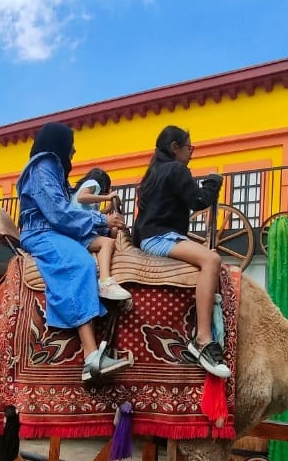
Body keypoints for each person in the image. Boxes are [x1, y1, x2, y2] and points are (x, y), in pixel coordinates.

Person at [17, 122, 132, 383]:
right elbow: (58, 212)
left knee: (105, 244)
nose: (74, 150)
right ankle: (91, 356)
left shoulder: (54, 172)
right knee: (80, 264)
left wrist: (104, 223)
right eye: (71, 145)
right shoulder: (42, 168)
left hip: (57, 230)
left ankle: (106, 283)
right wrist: (102, 222)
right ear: (59, 144)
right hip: (42, 232)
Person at [132, 125, 230, 378]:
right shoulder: (176, 169)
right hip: (160, 236)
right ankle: (203, 339)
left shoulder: (152, 173)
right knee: (211, 260)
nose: (191, 153)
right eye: (189, 147)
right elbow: (198, 201)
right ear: (175, 148)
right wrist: (213, 183)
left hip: (149, 234)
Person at [69, 167, 130, 301]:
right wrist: (107, 197)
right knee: (108, 242)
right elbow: (82, 197)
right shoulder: (93, 184)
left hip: (82, 228)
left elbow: (96, 215)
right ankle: (105, 281)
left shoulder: (84, 194)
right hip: (81, 231)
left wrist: (109, 207)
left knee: (112, 231)